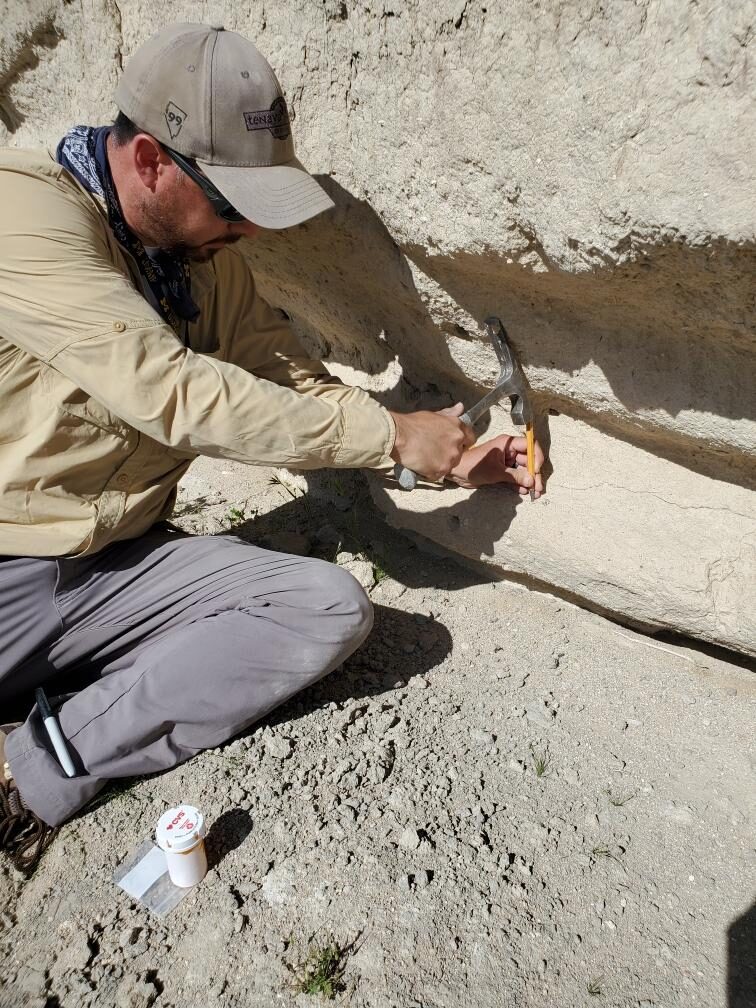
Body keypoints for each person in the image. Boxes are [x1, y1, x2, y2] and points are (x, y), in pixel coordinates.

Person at [0, 23, 543, 874]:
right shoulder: (22, 214)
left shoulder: (204, 261)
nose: (250, 229)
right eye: (233, 203)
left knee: (324, 606)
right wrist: (389, 432)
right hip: (9, 569)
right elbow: (172, 391)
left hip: (122, 570)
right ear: (149, 160)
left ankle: (29, 767)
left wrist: (419, 457)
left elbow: (294, 384)